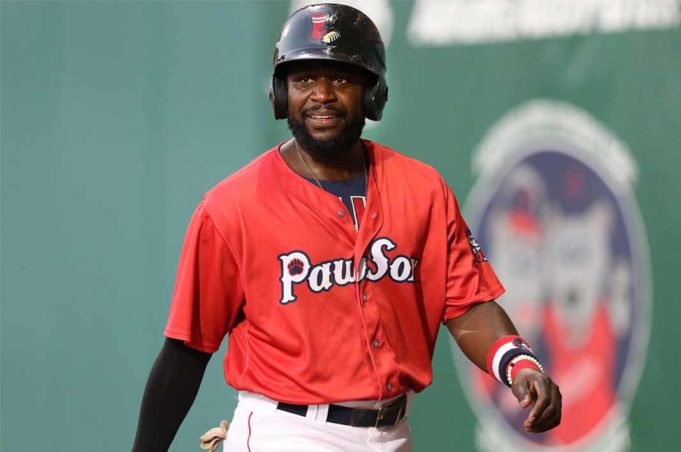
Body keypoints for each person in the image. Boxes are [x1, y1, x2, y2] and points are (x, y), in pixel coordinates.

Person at [132, 4, 561, 451]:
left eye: (340, 79)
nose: (322, 94)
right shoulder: (231, 207)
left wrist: (520, 365)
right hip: (287, 430)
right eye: (304, 80)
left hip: (393, 432)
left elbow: (467, 305)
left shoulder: (422, 189)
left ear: (372, 92)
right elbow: (187, 351)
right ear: (280, 94)